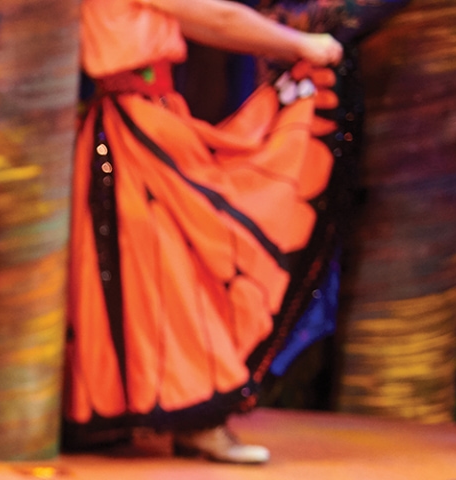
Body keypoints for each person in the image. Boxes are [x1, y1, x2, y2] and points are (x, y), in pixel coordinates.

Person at [63, 0, 343, 464]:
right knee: (168, 272)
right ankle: (195, 419)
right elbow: (214, 16)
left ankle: (131, 413)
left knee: (144, 272)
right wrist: (301, 43)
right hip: (133, 126)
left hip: (132, 119)